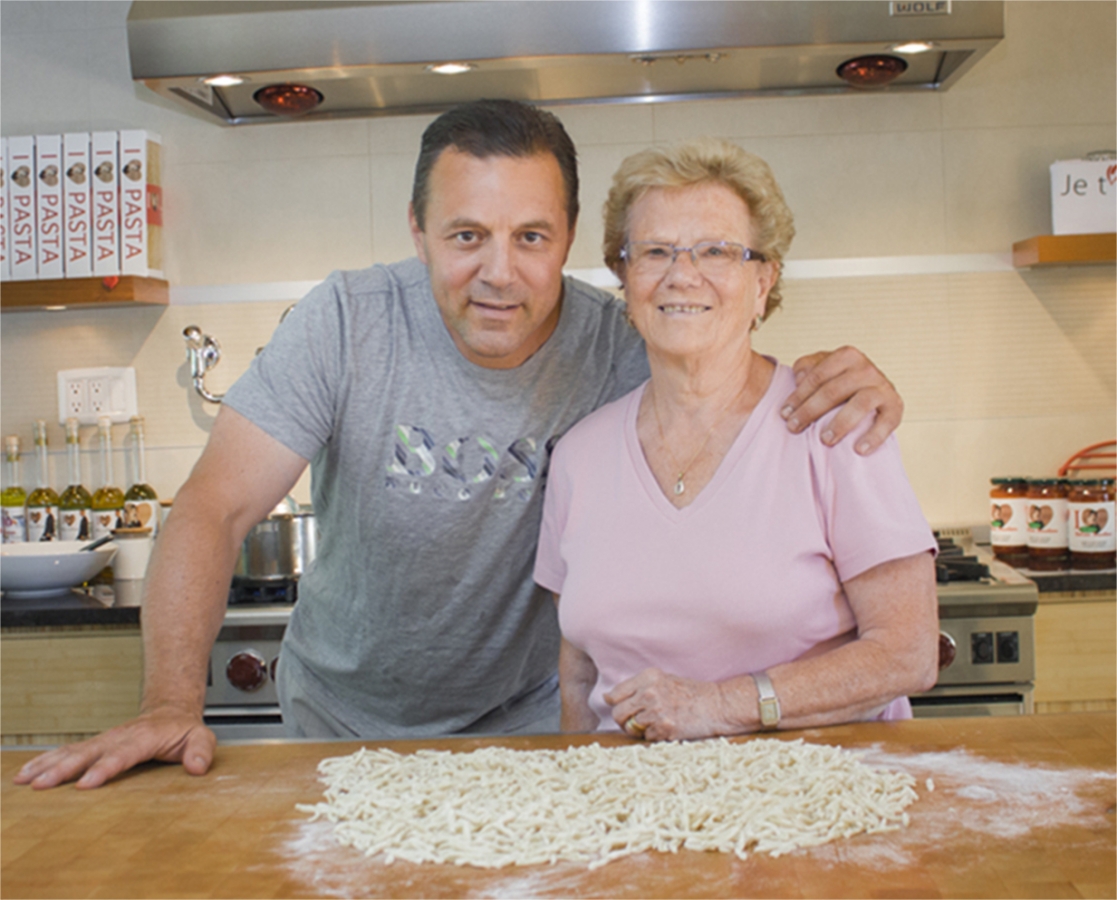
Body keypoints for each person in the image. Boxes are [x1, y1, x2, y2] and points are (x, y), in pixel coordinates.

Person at [17, 101, 905, 790]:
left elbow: (714, 326)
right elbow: (213, 509)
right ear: (417, 231)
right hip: (340, 719)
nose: (498, 273)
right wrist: (171, 704)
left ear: (569, 240)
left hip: (521, 724)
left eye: (531, 238)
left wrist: (841, 373)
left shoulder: (613, 340)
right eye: (465, 236)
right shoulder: (348, 322)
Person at [534, 137, 938, 741]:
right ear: (625, 278)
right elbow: (578, 673)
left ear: (763, 279)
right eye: (655, 252)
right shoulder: (579, 456)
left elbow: (908, 653)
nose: (682, 275)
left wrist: (722, 705)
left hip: (814, 804)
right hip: (628, 814)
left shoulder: (835, 424)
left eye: (717, 251)